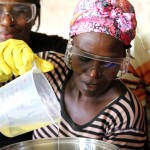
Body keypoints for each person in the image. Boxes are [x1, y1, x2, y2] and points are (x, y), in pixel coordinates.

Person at [0, 0, 147, 149]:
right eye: (84, 58)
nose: (93, 74)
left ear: (123, 61)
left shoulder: (124, 113)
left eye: (108, 63)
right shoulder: (48, 70)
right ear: (70, 49)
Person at [0, 0, 67, 148]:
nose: (6, 22)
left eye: (21, 11)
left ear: (35, 15)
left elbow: (107, 68)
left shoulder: (55, 50)